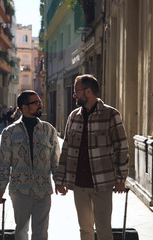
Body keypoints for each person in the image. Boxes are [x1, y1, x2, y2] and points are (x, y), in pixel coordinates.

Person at [55, 74, 129, 240]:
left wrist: (120, 179)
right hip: (79, 184)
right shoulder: (73, 116)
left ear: (87, 92)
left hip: (102, 183)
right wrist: (60, 180)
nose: (74, 95)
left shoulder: (111, 115)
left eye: (76, 92)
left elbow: (121, 147)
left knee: (103, 231)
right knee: (85, 230)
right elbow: (66, 149)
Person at [0, 90, 60, 240]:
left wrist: (59, 182)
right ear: (25, 107)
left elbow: (55, 161)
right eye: (36, 102)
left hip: (43, 190)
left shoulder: (49, 130)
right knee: (21, 231)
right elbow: (4, 164)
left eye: (40, 102)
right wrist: (1, 189)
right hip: (20, 190)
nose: (40, 105)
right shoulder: (9, 133)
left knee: (41, 233)